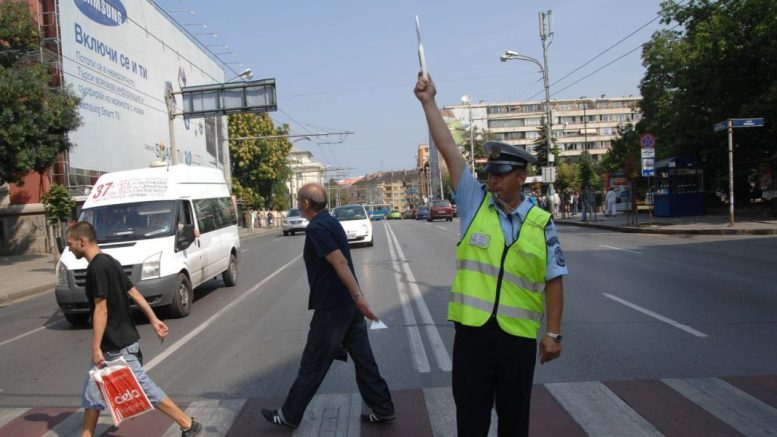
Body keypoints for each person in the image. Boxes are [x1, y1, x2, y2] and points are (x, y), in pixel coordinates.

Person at [415, 73, 567, 437]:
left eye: (501, 175)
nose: (493, 181)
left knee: (514, 423)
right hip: (473, 337)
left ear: (521, 178)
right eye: (490, 174)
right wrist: (429, 103)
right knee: (471, 421)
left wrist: (554, 334)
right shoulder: (473, 203)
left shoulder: (541, 222)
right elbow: (450, 151)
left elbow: (554, 277)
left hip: (517, 341)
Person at [262, 183, 395, 429]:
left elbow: (339, 262)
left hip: (333, 309)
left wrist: (359, 298)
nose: (298, 205)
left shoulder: (317, 228)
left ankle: (290, 415)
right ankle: (383, 408)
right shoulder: (331, 221)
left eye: (298, 201)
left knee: (312, 365)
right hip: (347, 307)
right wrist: (355, 300)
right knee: (364, 361)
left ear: (305, 204)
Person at [65, 222, 201, 437]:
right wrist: (154, 319)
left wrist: (95, 347)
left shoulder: (97, 267)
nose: (69, 249)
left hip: (117, 346)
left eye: (70, 244)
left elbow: (101, 309)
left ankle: (187, 423)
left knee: (145, 389)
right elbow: (134, 292)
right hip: (117, 343)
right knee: (92, 393)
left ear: (81, 241)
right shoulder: (110, 261)